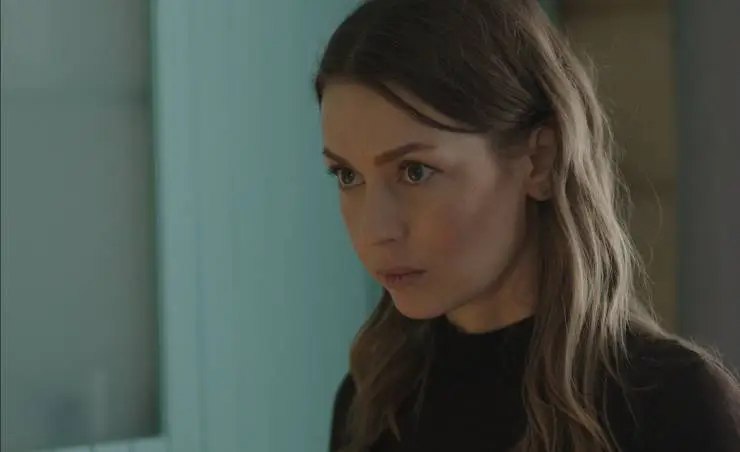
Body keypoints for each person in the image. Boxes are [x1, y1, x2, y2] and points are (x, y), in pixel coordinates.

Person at [314, 0, 740, 451]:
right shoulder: (372, 403)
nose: (375, 230)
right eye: (348, 176)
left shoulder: (675, 407)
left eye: (415, 171)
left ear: (539, 160)